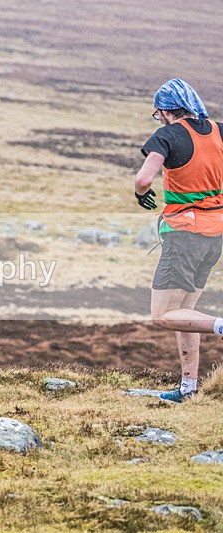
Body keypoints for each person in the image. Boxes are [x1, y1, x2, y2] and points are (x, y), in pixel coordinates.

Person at [134, 78, 223, 403]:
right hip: (215, 234)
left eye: (157, 113)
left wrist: (140, 192)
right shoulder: (218, 130)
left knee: (161, 315)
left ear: (166, 111)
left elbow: (144, 178)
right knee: (184, 312)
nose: (158, 119)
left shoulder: (168, 135)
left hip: (184, 235)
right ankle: (188, 388)